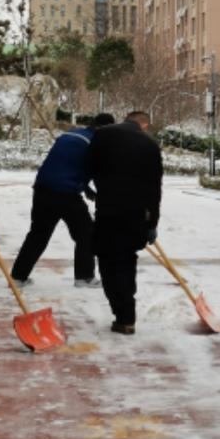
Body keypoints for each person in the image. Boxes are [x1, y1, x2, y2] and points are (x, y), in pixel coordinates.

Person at [11, 112, 115, 289]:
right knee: (86, 234)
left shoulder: (70, 134)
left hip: (42, 189)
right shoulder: (96, 142)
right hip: (65, 194)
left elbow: (67, 163)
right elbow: (99, 171)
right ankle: (84, 277)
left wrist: (85, 188)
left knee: (38, 235)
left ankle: (18, 277)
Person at [88, 110, 162, 334]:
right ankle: (127, 316)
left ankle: (122, 314)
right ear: (144, 124)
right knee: (128, 260)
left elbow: (91, 166)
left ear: (126, 119)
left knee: (108, 261)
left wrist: (98, 189)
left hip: (109, 210)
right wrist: (152, 223)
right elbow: (155, 188)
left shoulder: (104, 135)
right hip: (137, 214)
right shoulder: (150, 145)